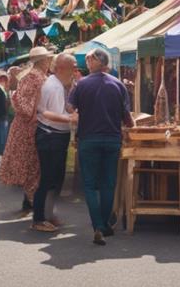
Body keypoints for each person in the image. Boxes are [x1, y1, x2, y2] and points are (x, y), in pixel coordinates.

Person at [68, 48, 134, 246]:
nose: (87, 62)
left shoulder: (81, 85)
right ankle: (104, 224)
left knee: (89, 185)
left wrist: (81, 110)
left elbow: (70, 107)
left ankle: (97, 225)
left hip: (89, 139)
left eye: (89, 59)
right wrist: (131, 125)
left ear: (96, 61)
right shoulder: (118, 85)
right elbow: (127, 117)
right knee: (108, 183)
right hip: (112, 139)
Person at [0, 47, 54, 213]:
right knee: (32, 163)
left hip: (33, 124)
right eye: (48, 59)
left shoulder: (36, 76)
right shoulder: (33, 77)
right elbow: (23, 104)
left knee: (33, 163)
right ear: (43, 61)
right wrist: (34, 116)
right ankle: (31, 200)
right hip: (30, 126)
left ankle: (31, 199)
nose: (50, 62)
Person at [31, 54, 77, 233]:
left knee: (54, 179)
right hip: (52, 136)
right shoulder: (55, 87)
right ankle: (39, 218)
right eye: (72, 67)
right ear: (61, 68)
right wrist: (73, 117)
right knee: (49, 179)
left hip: (52, 135)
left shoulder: (54, 83)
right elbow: (52, 114)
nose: (75, 71)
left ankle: (47, 215)